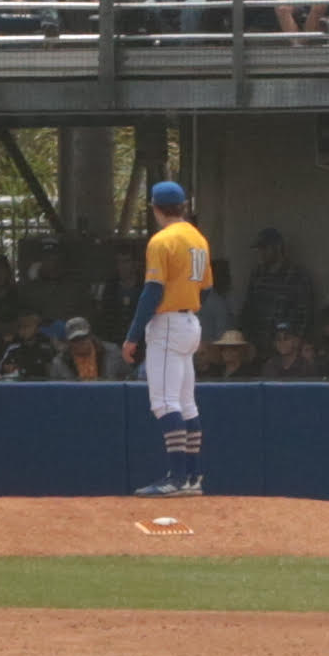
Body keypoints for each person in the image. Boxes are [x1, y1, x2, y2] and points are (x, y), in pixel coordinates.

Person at [132, 178, 213, 497]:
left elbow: (152, 291)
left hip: (167, 323)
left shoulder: (162, 240)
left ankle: (177, 478)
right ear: (183, 207)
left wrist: (133, 335)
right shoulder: (198, 238)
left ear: (155, 208)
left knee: (164, 403)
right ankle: (192, 477)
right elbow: (206, 289)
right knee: (186, 404)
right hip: (190, 321)